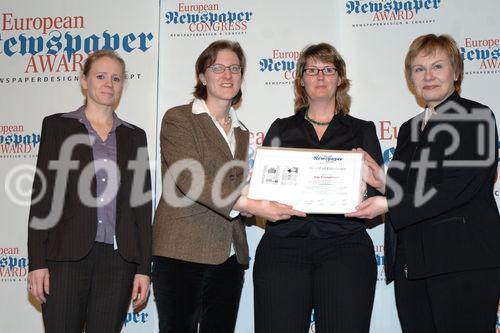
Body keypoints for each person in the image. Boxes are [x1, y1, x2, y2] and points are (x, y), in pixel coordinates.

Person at [347, 34, 500, 333]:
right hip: (413, 267)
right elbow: (411, 188)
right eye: (419, 69)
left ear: (456, 73)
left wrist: (389, 202)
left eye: (437, 66)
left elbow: (458, 186)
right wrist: (381, 179)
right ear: (410, 79)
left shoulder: (477, 117)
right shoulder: (409, 129)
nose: (428, 76)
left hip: (463, 264)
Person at [152, 40, 303, 333]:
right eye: (217, 67)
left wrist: (263, 198)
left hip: (229, 254)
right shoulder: (179, 118)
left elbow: (242, 188)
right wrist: (253, 206)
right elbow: (189, 179)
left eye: (235, 68)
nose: (227, 75)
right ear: (202, 76)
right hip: (181, 250)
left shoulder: (243, 133)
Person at [253, 43, 383, 333]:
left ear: (340, 79)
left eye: (328, 69)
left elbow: (378, 193)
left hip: (345, 247)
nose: (320, 76)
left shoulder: (362, 130)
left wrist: (362, 193)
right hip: (284, 246)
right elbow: (263, 191)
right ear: (301, 80)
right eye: (312, 70)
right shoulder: (281, 129)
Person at [27, 50, 152, 333]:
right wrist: (37, 262)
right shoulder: (58, 126)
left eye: (116, 78)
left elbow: (142, 208)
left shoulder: (135, 136)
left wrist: (144, 268)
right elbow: (42, 199)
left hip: (118, 263)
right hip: (65, 259)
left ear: (122, 85)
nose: (109, 83)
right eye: (101, 76)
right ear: (84, 81)